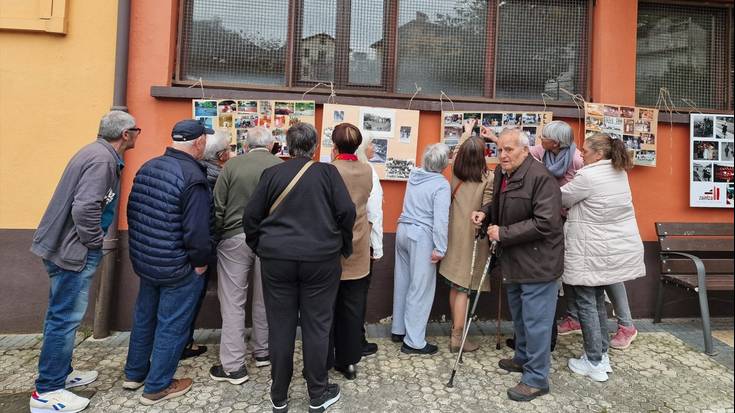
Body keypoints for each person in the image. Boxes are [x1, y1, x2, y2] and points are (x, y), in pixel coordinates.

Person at [29, 111, 140, 413]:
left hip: (62, 246)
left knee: (61, 316)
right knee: (64, 319)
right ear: (125, 134)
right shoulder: (103, 160)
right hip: (72, 250)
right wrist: (94, 242)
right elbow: (85, 207)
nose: (137, 135)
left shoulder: (95, 152)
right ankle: (47, 391)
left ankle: (60, 374)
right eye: (136, 130)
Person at [243, 123, 355, 413]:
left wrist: (261, 246)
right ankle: (317, 393)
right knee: (317, 325)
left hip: (277, 259)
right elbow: (347, 212)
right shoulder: (328, 173)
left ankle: (279, 394)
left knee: (280, 326)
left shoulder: (272, 174)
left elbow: (250, 217)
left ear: (288, 147)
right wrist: (342, 244)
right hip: (321, 259)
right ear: (315, 147)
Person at [123, 119, 214, 405]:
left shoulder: (149, 166)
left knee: (144, 318)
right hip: (179, 266)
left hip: (148, 260)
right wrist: (200, 263)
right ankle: (158, 385)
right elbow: (198, 231)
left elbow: (133, 211)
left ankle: (135, 373)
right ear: (199, 143)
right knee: (172, 325)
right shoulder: (193, 177)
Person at [473, 128, 563, 402]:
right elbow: (498, 205)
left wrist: (504, 234)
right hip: (513, 260)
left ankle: (536, 378)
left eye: (509, 150)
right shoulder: (503, 173)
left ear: (526, 150)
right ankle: (522, 358)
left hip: (538, 262)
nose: (503, 155)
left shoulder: (541, 178)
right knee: (521, 316)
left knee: (537, 321)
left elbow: (546, 223)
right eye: (500, 150)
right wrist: (486, 214)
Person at [561, 133, 646, 381]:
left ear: (598, 154)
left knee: (587, 303)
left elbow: (562, 197)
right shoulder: (619, 172)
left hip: (590, 251)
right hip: (607, 250)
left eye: (585, 151)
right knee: (597, 302)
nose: (580, 154)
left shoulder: (589, 176)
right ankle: (601, 355)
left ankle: (594, 362)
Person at [209, 126, 281, 384]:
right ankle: (263, 352)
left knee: (233, 302)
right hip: (270, 240)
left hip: (234, 237)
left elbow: (219, 206)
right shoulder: (279, 167)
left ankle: (233, 366)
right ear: (272, 145)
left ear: (246, 145)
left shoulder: (232, 166)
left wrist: (217, 236)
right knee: (264, 299)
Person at [391, 143, 451, 355]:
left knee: (403, 282)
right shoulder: (441, 185)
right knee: (421, 288)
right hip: (422, 236)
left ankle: (398, 329)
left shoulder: (414, 175)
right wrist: (440, 248)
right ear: (444, 165)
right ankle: (414, 341)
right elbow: (441, 220)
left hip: (402, 230)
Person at [438, 134, 493, 353]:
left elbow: (459, 151)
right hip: (473, 239)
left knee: (455, 285)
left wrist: (465, 134)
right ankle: (457, 338)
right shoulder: (488, 179)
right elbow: (488, 207)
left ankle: (455, 330)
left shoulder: (454, 174)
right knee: (464, 289)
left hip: (453, 237)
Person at [328, 123, 373, 380]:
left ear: (334, 146)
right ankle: (349, 361)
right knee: (353, 308)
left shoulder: (331, 170)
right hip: (359, 246)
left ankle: (327, 356)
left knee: (329, 307)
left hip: (334, 246)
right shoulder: (366, 170)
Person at [183, 129, 232, 361]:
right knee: (191, 297)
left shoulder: (200, 172)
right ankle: (183, 343)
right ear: (221, 155)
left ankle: (185, 341)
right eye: (229, 150)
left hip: (190, 245)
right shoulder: (216, 177)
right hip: (202, 247)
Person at [356, 137, 384, 357]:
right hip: (363, 242)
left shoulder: (343, 169)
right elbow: (373, 214)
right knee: (359, 294)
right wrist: (377, 247)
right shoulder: (369, 172)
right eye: (371, 143)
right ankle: (358, 339)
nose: (374, 147)